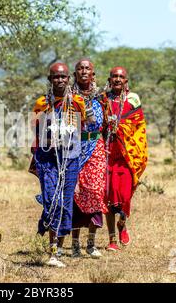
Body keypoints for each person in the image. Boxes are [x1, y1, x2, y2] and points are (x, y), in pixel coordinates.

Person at [32, 62, 85, 267]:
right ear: (50, 80)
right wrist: (49, 135)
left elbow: (87, 126)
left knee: (64, 203)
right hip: (48, 158)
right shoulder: (42, 103)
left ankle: (56, 251)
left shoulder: (78, 102)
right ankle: (51, 241)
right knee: (51, 200)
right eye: (56, 77)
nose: (60, 80)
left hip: (70, 157)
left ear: (69, 79)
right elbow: (34, 130)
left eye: (63, 77)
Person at [100, 66, 148, 251]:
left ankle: (123, 223)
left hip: (127, 153)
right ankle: (112, 239)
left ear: (126, 81)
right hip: (107, 151)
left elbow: (139, 126)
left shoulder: (133, 99)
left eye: (121, 77)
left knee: (125, 195)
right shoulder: (103, 99)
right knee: (108, 197)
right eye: (114, 76)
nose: (118, 79)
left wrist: (122, 130)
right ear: (110, 79)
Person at [70, 59, 108, 258]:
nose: (84, 71)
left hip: (96, 148)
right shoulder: (69, 96)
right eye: (80, 68)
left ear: (93, 73)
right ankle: (75, 244)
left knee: (95, 191)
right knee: (74, 194)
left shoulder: (101, 97)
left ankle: (91, 244)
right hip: (75, 148)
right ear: (75, 73)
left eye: (87, 68)